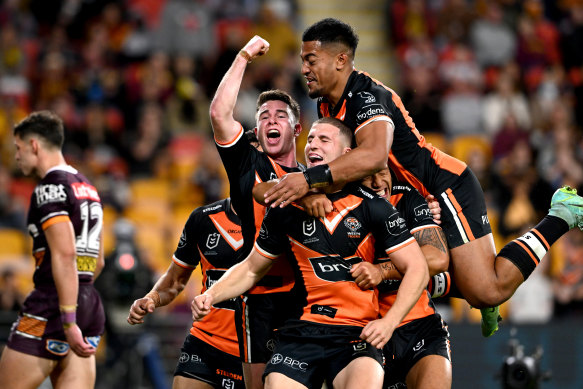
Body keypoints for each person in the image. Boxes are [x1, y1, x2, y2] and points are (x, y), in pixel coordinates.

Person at [262, 18, 583, 337]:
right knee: (378, 266)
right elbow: (354, 165)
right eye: (303, 60)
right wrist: (313, 189)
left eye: (310, 60)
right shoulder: (326, 104)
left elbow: (373, 154)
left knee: (489, 289)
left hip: (442, 186)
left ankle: (561, 214)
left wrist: (307, 181)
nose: (302, 68)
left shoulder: (366, 97)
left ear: (340, 60)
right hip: (406, 197)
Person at [193, 117, 429, 389]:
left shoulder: (373, 206)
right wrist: (211, 294)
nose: (313, 145)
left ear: (346, 154)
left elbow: (418, 268)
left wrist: (389, 323)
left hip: (356, 334)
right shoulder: (286, 208)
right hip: (301, 334)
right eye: (312, 139)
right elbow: (251, 268)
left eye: (324, 140)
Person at [210, 35, 304, 388]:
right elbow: (219, 113)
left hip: (307, 296)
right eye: (264, 116)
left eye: (281, 115)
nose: (271, 120)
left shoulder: (314, 175)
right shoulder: (246, 162)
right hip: (259, 297)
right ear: (257, 131)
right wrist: (244, 56)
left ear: (296, 129)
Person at [0, 111, 105, 388]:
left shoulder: (50, 188)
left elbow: (65, 253)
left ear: (34, 145)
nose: (17, 156)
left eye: (18, 148)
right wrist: (79, 299)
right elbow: (99, 261)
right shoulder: (88, 188)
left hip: (51, 309)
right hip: (89, 305)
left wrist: (68, 320)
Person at [127, 198, 246, 389]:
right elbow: (175, 279)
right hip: (205, 342)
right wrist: (152, 298)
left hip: (255, 350)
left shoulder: (279, 217)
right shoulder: (203, 218)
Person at [354, 169, 452, 389]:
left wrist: (382, 271)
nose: (378, 182)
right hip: (363, 331)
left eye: (382, 172)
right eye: (366, 176)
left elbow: (437, 257)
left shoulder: (406, 196)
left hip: (418, 325)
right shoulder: (341, 206)